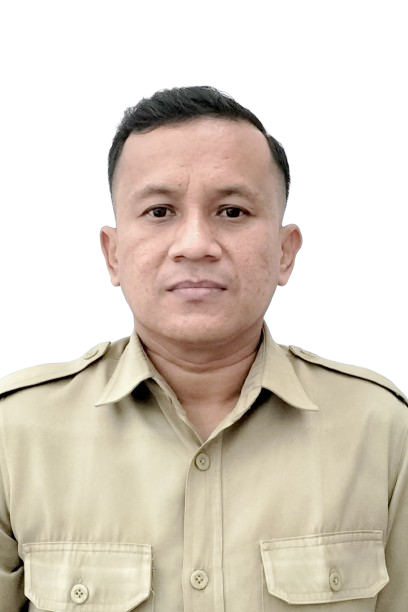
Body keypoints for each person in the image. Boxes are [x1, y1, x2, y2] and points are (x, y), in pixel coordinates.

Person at [0, 86, 407, 612]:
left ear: (285, 252)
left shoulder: (382, 432)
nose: (195, 244)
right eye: (160, 211)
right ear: (113, 253)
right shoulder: (16, 435)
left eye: (232, 212)